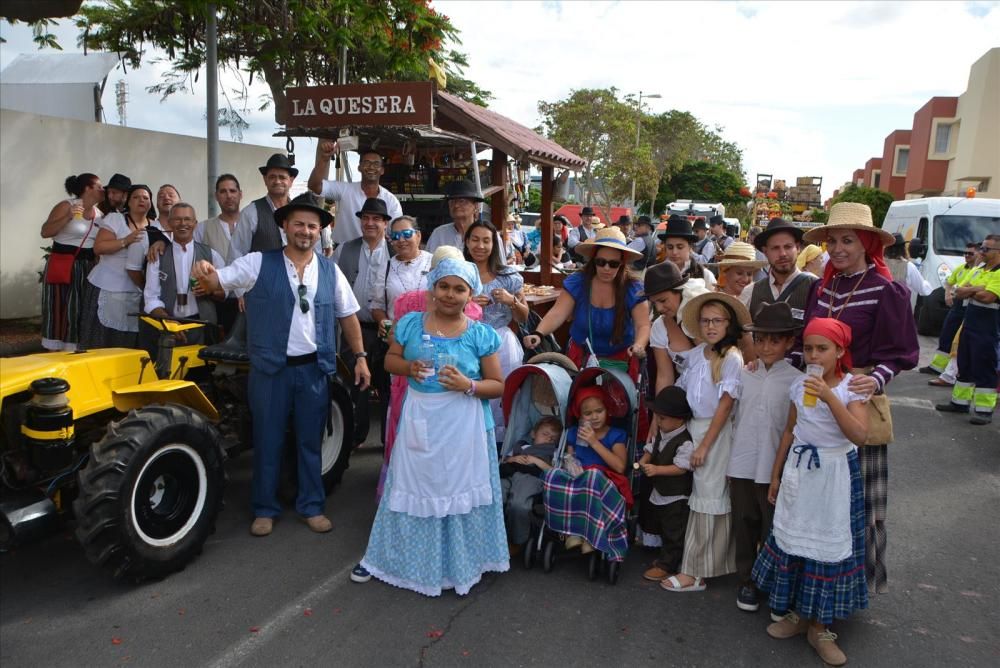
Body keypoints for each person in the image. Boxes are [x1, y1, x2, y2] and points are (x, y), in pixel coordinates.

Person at [192, 192, 371, 537]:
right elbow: (217, 281)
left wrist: (360, 357)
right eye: (299, 224)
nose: (305, 231)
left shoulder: (330, 271)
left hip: (313, 371)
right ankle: (264, 508)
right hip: (270, 370)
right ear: (285, 227)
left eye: (312, 226)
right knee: (268, 439)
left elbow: (348, 315)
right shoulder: (257, 262)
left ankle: (312, 505)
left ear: (320, 231)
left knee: (309, 441)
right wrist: (205, 271)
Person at [355, 257, 508, 596]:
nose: (450, 295)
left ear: (471, 295)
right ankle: (396, 560)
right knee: (415, 487)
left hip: (464, 426)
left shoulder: (480, 334)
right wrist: (410, 368)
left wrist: (468, 385)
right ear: (433, 288)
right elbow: (391, 362)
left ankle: (460, 563)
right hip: (421, 420)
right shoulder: (410, 324)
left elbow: (497, 385)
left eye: (459, 289)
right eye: (444, 286)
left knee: (458, 491)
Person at [801, 202, 919, 594]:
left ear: (867, 244)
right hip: (816, 399)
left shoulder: (886, 290)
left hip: (856, 399)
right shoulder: (821, 287)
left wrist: (877, 379)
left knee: (859, 498)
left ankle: (854, 587)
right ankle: (815, 583)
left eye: (847, 240)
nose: (837, 248)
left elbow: (901, 353)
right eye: (832, 240)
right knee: (817, 494)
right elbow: (808, 341)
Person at [752, 318, 870, 668]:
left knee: (826, 551)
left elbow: (859, 435)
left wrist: (830, 396)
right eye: (808, 348)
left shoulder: (853, 387)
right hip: (799, 470)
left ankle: (821, 627)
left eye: (823, 348)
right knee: (794, 544)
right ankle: (798, 615)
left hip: (834, 474)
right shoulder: (798, 385)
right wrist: (775, 476)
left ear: (840, 351)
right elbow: (790, 430)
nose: (814, 354)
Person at [660, 292, 748, 593]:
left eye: (717, 321)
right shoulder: (700, 354)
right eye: (706, 321)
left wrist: (705, 446)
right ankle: (697, 563)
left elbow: (725, 405)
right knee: (697, 495)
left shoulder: (731, 357)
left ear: (729, 324)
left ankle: (695, 572)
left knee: (708, 497)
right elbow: (683, 390)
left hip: (716, 432)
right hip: (696, 427)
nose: (711, 326)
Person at [728, 302, 802, 613]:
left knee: (772, 527)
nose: (765, 346)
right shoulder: (745, 374)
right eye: (760, 339)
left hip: (774, 466)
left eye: (774, 340)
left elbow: (793, 428)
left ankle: (772, 580)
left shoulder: (796, 380)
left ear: (789, 342)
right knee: (744, 523)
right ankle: (748, 581)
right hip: (742, 461)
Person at [523, 228, 650, 378]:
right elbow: (558, 313)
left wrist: (639, 345)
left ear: (622, 264)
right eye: (601, 262)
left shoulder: (633, 287)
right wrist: (539, 333)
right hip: (580, 358)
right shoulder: (578, 281)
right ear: (593, 260)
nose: (606, 268)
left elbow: (643, 325)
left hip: (620, 361)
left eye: (613, 264)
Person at [543, 386, 631, 559]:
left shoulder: (615, 435)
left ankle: (590, 536)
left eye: (599, 411)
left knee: (591, 476)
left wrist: (593, 442)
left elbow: (620, 467)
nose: (595, 417)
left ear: (607, 410)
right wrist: (571, 465)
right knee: (552, 474)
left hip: (605, 482)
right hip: (579, 478)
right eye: (588, 413)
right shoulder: (574, 433)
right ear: (580, 416)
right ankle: (571, 531)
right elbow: (570, 458)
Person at [334, 197, 393, 446]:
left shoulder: (396, 250)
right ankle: (355, 438)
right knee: (355, 384)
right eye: (365, 218)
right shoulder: (344, 249)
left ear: (385, 224)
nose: (370, 223)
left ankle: (387, 442)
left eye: (376, 219)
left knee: (387, 384)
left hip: (386, 329)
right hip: (354, 327)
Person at [464, 220, 528, 442]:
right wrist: (467, 304)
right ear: (466, 242)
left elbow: (523, 316)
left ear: (495, 245)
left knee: (502, 396)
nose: (480, 246)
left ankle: (502, 446)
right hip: (465, 342)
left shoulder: (508, 276)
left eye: (486, 240)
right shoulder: (459, 272)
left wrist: (512, 301)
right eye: (475, 240)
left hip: (501, 342)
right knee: (469, 394)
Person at [80, 184, 156, 349]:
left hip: (138, 288)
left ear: (150, 203)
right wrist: (125, 240)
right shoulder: (116, 219)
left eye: (146, 198)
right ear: (128, 201)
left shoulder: (155, 227)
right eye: (136, 197)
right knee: (103, 340)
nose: (141, 200)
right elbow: (99, 248)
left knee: (132, 338)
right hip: (108, 285)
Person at [935, 235, 1000, 425]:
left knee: (985, 368)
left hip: (988, 329)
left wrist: (972, 290)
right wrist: (975, 289)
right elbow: (959, 290)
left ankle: (983, 411)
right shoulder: (979, 270)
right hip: (970, 325)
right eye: (982, 248)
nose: (982, 252)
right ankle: (959, 403)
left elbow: (988, 297)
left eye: (986, 249)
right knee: (965, 365)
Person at [637, 386, 695, 582]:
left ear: (679, 418)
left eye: (662, 418)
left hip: (676, 495)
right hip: (661, 491)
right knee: (663, 526)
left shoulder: (684, 442)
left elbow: (681, 467)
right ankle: (665, 558)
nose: (658, 422)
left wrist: (657, 469)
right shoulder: (663, 433)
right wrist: (644, 461)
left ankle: (668, 564)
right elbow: (651, 448)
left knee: (674, 531)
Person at [40, 173, 103, 351]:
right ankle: (54, 351)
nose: (102, 189)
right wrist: (68, 216)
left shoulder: (100, 214)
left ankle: (75, 348)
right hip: (64, 264)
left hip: (87, 267)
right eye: (98, 186)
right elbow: (45, 232)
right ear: (87, 189)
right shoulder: (66, 205)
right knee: (59, 307)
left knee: (80, 308)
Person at [143, 203, 225, 337]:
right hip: (168, 328)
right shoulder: (158, 255)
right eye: (177, 219)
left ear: (195, 223)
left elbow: (226, 291)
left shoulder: (211, 254)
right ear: (169, 223)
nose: (182, 223)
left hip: (204, 326)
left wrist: (210, 290)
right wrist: (168, 322)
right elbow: (150, 297)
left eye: (187, 219)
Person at [309, 141, 403, 249]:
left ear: (382, 170)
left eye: (376, 164)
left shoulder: (391, 200)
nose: (371, 167)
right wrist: (324, 159)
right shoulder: (345, 189)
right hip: (343, 252)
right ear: (359, 167)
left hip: (377, 254)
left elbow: (397, 231)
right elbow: (314, 185)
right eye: (367, 163)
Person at [644, 261, 709, 394]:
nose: (659, 308)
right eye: (654, 303)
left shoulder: (708, 315)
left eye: (663, 300)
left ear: (679, 292)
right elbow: (664, 376)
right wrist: (660, 412)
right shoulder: (659, 326)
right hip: (684, 398)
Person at [500, 415, 562, 549]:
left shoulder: (554, 452)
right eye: (545, 434)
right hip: (511, 474)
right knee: (496, 496)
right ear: (533, 434)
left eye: (553, 438)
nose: (548, 439)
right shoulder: (522, 446)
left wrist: (537, 461)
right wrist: (513, 459)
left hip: (532, 478)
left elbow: (554, 472)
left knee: (518, 504)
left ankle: (517, 540)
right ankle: (496, 535)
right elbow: (505, 460)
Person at [921, 242, 981, 378]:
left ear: (978, 254)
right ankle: (937, 367)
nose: (966, 256)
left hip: (968, 307)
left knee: (960, 341)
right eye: (965, 253)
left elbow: (968, 288)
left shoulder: (979, 271)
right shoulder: (962, 268)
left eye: (970, 253)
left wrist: (962, 290)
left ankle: (953, 372)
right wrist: (948, 293)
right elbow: (949, 282)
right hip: (957, 305)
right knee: (946, 334)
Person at [745, 218, 815, 329]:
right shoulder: (750, 292)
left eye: (788, 247)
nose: (782, 254)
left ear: (797, 248)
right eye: (775, 248)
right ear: (765, 252)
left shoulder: (815, 286)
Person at [195, 174, 243, 332]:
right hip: (218, 301)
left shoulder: (252, 223)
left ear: (240, 194)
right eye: (223, 191)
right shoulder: (203, 228)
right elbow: (188, 250)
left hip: (250, 299)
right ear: (216, 196)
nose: (228, 196)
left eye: (232, 191)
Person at [228, 153, 296, 261]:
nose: (277, 181)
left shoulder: (299, 212)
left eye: (282, 177)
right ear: (265, 180)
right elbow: (236, 256)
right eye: (272, 177)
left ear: (291, 181)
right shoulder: (250, 212)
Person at [371, 216, 433, 325]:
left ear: (418, 235)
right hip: (397, 335)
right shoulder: (386, 267)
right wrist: (383, 322)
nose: (401, 240)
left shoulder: (433, 262)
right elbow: (377, 305)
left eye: (407, 234)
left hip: (430, 333)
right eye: (395, 236)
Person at [657, 215, 717, 289]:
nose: (674, 252)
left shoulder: (705, 276)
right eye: (670, 247)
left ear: (690, 247)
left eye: (680, 247)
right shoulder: (658, 273)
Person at [708, 241, 767, 305]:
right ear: (724, 271)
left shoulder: (756, 298)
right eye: (739, 273)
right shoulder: (715, 301)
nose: (745, 279)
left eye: (749, 274)